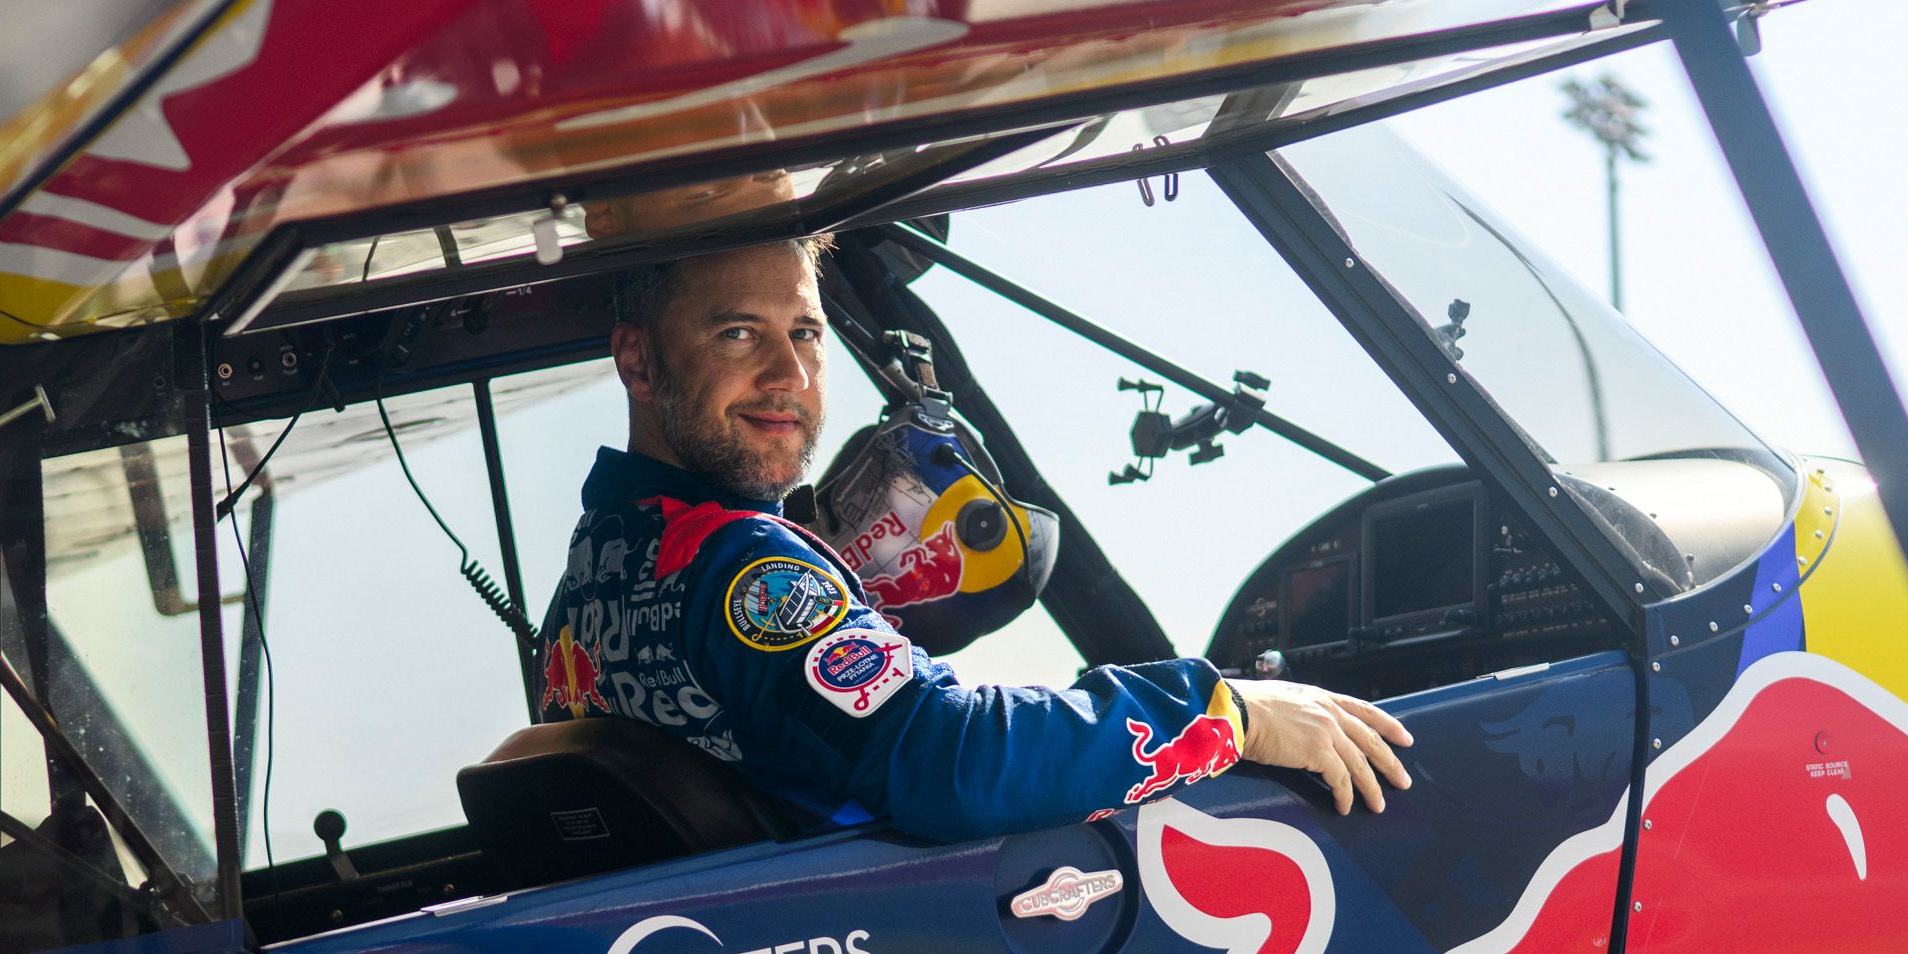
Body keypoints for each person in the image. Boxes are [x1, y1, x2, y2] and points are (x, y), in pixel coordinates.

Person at [530, 236, 1413, 841]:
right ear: (638, 361)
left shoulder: (593, 578)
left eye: (805, 333)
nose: (789, 374)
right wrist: (1229, 715)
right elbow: (950, 760)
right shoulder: (742, 567)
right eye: (737, 334)